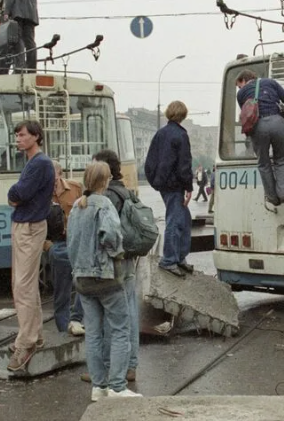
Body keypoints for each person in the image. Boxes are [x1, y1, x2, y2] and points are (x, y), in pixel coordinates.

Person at [68, 162, 141, 400]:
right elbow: (111, 235)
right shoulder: (104, 204)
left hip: (82, 279)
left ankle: (98, 387)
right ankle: (117, 387)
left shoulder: (77, 207)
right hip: (105, 277)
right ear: (106, 180)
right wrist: (117, 252)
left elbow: (71, 243)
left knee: (94, 332)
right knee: (121, 329)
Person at [5, 120, 54, 371]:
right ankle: (35, 334)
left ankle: (27, 341)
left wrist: (15, 196)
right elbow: (17, 194)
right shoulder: (35, 163)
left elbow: (17, 194)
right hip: (27, 225)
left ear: (36, 136)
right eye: (16, 135)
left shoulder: (39, 164)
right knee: (25, 284)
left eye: (22, 135)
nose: (18, 139)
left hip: (30, 226)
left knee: (23, 286)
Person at [95, 149, 140, 383]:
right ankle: (131, 365)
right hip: (130, 257)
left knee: (115, 317)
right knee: (130, 310)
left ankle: (115, 368)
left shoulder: (108, 196)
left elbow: (108, 233)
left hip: (117, 259)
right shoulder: (125, 190)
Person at [145, 101, 194, 277]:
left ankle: (179, 257)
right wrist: (188, 186)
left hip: (164, 184)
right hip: (176, 185)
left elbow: (150, 161)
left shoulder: (160, 134)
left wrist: (156, 181)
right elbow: (184, 164)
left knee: (183, 219)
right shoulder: (181, 135)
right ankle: (170, 259)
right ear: (183, 115)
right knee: (175, 221)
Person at [234, 70, 284, 205]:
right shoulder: (270, 82)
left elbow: (246, 114)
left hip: (258, 127)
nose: (240, 88)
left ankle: (272, 197)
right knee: (281, 158)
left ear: (244, 80)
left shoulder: (241, 94)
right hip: (278, 123)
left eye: (239, 85)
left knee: (263, 162)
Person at [47, 160, 85, 336]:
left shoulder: (76, 188)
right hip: (57, 244)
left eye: (53, 178)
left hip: (77, 240)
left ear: (60, 174)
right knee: (62, 289)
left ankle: (76, 319)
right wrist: (48, 246)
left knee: (84, 282)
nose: (50, 182)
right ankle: (64, 328)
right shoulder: (40, 194)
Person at [1, 0, 43, 73]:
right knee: (30, 42)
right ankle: (31, 69)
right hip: (32, 14)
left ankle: (19, 67)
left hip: (18, 12)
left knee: (18, 40)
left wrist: (6, 11)